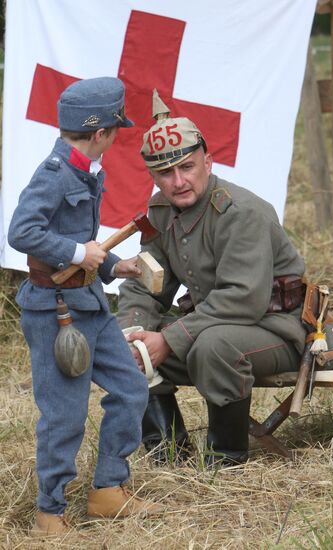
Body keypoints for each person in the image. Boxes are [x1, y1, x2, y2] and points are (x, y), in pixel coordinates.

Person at [117, 89, 307, 467]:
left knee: (214, 347)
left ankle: (226, 460)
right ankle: (171, 458)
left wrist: (168, 339)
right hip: (211, 325)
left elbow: (244, 298)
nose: (178, 181)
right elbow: (145, 283)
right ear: (153, 177)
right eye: (165, 173)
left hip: (275, 327)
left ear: (208, 160)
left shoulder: (241, 213)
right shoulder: (159, 212)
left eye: (186, 166)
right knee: (119, 349)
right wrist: (132, 333)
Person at [8, 77, 163, 537]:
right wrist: (78, 256)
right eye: (115, 129)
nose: (116, 136)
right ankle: (49, 515)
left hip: (89, 306)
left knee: (133, 387)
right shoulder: (55, 174)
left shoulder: (87, 170)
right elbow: (22, 232)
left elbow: (86, 244)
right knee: (65, 415)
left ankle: (107, 491)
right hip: (57, 313)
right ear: (100, 134)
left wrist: (118, 268)